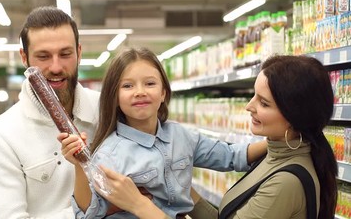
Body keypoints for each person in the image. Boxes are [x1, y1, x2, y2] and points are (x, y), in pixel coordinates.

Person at [88, 54, 338, 219]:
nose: (249, 106)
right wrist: (179, 186)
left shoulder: (286, 182)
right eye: (128, 86)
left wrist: (140, 205)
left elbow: (229, 155)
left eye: (263, 103)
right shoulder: (276, 153)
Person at [59, 47, 268, 218]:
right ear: (115, 98)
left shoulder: (181, 136)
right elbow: (91, 212)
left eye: (149, 83)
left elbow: (231, 156)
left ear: (163, 93)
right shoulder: (110, 154)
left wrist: (278, 142)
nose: (140, 91)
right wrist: (80, 165)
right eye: (128, 85)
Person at [0, 6, 100, 218]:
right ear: (24, 57)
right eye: (43, 56)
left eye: (65, 54)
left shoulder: (106, 109)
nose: (55, 67)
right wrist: (95, 212)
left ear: (79, 53)